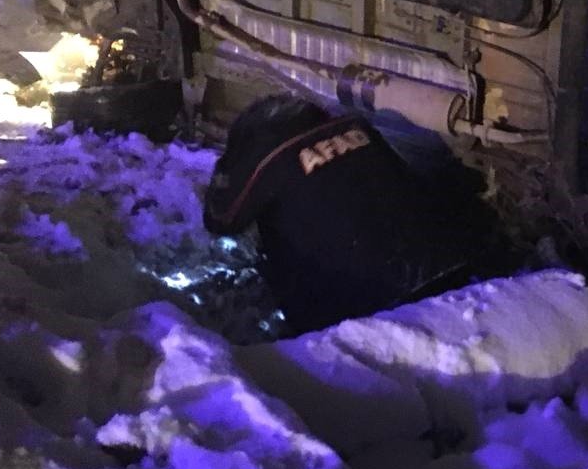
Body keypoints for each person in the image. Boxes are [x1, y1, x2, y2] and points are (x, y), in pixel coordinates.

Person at [203, 94, 483, 333]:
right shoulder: (355, 125)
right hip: (442, 272)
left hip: (361, 305)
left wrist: (228, 168)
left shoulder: (267, 156)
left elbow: (220, 219)